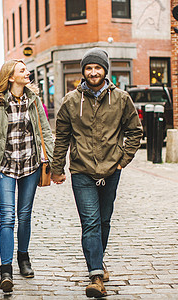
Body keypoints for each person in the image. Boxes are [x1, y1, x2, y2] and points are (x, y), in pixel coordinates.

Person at [51, 48, 143, 298]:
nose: (93, 72)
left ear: (105, 70)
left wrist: (123, 160)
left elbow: (135, 131)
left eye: (97, 68)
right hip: (81, 170)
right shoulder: (71, 100)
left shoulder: (122, 99)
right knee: (90, 222)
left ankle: (98, 261)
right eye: (88, 68)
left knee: (104, 221)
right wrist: (56, 169)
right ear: (83, 71)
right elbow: (62, 137)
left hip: (112, 169)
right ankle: (96, 276)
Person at [0, 59, 54, 293]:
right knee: (7, 218)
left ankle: (23, 258)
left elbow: (46, 132)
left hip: (30, 167)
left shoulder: (34, 100)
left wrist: (54, 164)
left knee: (25, 216)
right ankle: (6, 270)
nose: (28, 72)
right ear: (10, 77)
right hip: (4, 168)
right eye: (22, 70)